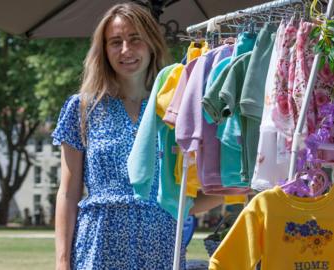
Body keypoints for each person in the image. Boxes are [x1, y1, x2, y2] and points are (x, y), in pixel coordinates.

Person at [52, 3, 222, 269]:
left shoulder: (177, 104)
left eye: (135, 39)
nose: (125, 50)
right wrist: (62, 262)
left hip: (161, 243)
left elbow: (193, 195)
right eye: (115, 42)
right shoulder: (82, 107)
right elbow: (67, 193)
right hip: (98, 243)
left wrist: (242, 185)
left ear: (152, 43)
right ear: (103, 50)